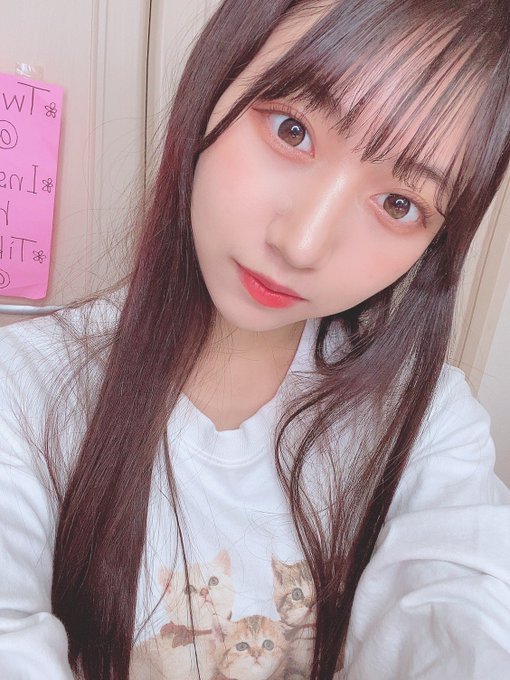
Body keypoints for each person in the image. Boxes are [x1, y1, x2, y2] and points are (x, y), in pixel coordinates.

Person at [1, 0, 510, 678]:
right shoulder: (24, 387)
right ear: (216, 82)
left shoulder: (427, 425)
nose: (301, 244)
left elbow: (468, 613)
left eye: (399, 204)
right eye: (292, 130)